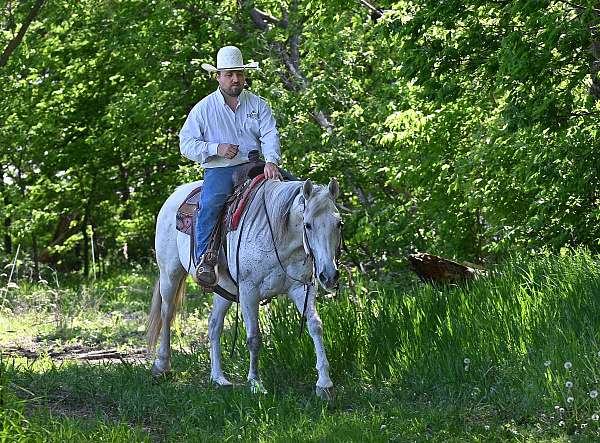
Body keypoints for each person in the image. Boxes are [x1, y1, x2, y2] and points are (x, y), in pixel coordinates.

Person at [179, 45, 282, 287]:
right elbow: (186, 144)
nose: (235, 79)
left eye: (239, 74)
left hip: (256, 164)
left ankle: (294, 254)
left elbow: (270, 135)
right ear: (218, 77)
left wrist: (272, 161)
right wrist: (216, 149)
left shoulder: (258, 104)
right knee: (211, 203)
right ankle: (204, 258)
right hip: (221, 168)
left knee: (293, 193)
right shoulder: (204, 109)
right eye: (229, 74)